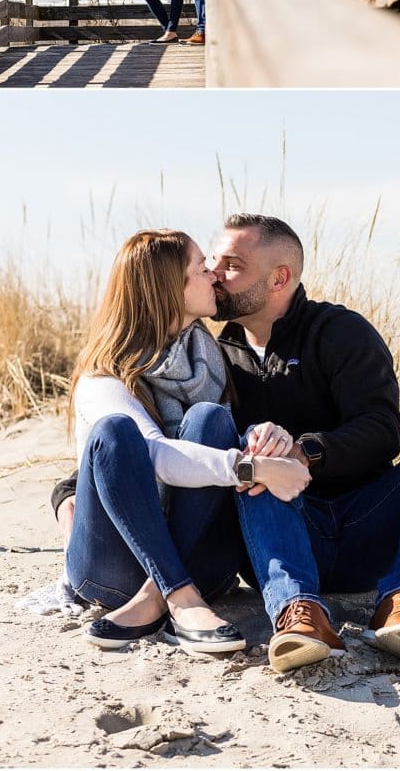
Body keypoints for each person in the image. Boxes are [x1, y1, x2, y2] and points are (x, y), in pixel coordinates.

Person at [53, 215, 400, 674]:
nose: (216, 275)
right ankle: (298, 612)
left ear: (279, 277)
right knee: (241, 446)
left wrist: (303, 452)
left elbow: (381, 429)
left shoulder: (335, 333)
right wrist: (67, 494)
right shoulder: (217, 356)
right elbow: (123, 447)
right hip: (278, 533)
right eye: (208, 265)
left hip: (363, 522)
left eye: (230, 266)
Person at [64, 229, 310, 654]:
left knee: (209, 418)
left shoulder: (209, 359)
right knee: (115, 433)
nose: (214, 276)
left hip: (204, 565)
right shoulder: (102, 375)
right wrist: (253, 468)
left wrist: (262, 441)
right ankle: (180, 597)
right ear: (168, 290)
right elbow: (154, 453)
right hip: (112, 566)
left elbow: (215, 443)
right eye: (201, 269)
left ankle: (157, 597)